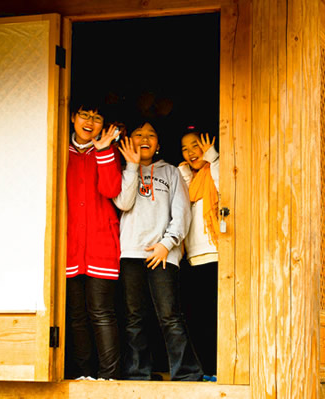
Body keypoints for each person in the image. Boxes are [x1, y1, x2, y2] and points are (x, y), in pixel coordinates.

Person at [113, 119, 203, 381]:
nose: (145, 138)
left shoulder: (171, 173)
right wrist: (131, 166)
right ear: (130, 141)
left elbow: (182, 214)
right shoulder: (122, 170)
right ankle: (137, 373)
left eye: (150, 135)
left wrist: (167, 244)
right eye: (139, 133)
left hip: (164, 253)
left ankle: (186, 373)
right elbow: (123, 203)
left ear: (158, 144)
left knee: (170, 316)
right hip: (132, 252)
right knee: (133, 318)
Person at [66, 97, 122, 381]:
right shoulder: (59, 150)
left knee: (101, 313)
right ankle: (84, 375)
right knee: (76, 317)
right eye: (85, 114)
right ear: (73, 117)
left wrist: (103, 152)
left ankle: (108, 377)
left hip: (100, 243)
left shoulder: (107, 152)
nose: (89, 122)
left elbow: (112, 189)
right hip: (69, 245)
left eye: (97, 118)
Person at [178, 126, 219, 378]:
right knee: (196, 318)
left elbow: (228, 184)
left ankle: (217, 368)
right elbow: (180, 203)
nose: (191, 152)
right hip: (191, 258)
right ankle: (204, 370)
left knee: (215, 317)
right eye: (185, 148)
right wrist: (183, 175)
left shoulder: (215, 170)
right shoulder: (189, 179)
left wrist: (213, 157)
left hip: (215, 256)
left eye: (196, 144)